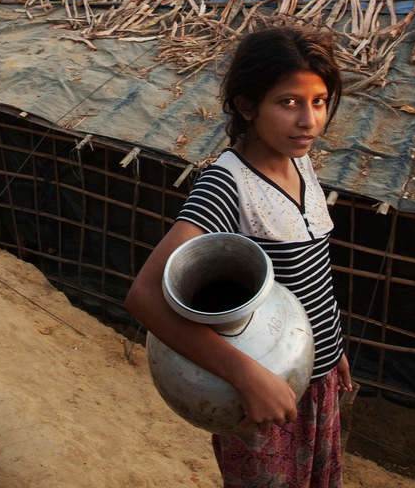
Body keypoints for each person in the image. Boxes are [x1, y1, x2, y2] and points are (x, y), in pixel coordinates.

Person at [126, 25, 353, 488]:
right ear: (247, 106)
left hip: (314, 377)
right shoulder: (227, 186)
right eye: (288, 102)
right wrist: (248, 378)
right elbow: (145, 296)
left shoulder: (300, 162)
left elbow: (311, 274)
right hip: (263, 395)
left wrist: (332, 344)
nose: (308, 121)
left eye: (319, 101)